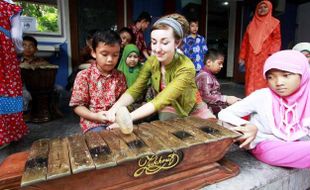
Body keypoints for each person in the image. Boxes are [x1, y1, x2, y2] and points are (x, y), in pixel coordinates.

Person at [105, 13, 215, 127]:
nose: (157, 49)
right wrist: (112, 110)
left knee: (213, 131)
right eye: (153, 42)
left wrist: (126, 119)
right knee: (168, 128)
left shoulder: (186, 67)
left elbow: (161, 99)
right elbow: (136, 89)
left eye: (165, 42)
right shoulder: (152, 61)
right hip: (168, 105)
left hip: (191, 106)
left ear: (177, 43)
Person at [218, 50, 310, 169]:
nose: (278, 83)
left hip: (292, 143)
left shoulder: (306, 97)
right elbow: (224, 113)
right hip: (265, 146)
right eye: (271, 77)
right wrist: (247, 125)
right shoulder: (262, 96)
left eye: (286, 75)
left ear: (303, 74)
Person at [69, 30, 127, 133]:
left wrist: (119, 119)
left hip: (115, 121)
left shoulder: (120, 76)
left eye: (115, 55)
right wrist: (95, 116)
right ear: (93, 53)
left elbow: (123, 101)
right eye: (104, 54)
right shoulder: (84, 76)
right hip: (93, 123)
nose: (110, 59)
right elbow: (77, 105)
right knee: (103, 139)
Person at [0, 0, 28, 149]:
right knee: (8, 89)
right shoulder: (10, 8)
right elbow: (16, 37)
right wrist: (18, 52)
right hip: (4, 54)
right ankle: (7, 135)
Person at [239, 0, 281, 95]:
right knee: (250, 78)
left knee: (264, 77)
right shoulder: (250, 25)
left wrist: (273, 54)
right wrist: (242, 57)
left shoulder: (275, 23)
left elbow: (277, 40)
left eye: (265, 7)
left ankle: (262, 101)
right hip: (251, 58)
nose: (262, 9)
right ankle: (250, 99)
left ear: (270, 8)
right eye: (260, 7)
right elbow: (245, 42)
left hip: (265, 57)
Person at [196, 49, 240, 115]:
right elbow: (206, 97)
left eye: (222, 64)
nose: (221, 66)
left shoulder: (209, 75)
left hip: (213, 105)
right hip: (206, 110)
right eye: (219, 63)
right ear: (208, 62)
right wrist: (226, 99)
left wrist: (227, 99)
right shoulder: (204, 76)